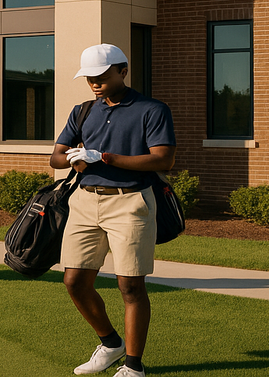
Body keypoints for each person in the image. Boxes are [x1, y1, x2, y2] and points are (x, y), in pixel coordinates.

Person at [50, 44, 176, 377]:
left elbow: (163, 159)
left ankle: (134, 366)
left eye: (102, 75)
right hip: (85, 201)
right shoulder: (83, 110)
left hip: (130, 202)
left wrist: (106, 158)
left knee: (130, 286)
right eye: (89, 77)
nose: (94, 82)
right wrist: (74, 158)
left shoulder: (151, 109)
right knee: (74, 281)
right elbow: (56, 157)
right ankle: (110, 343)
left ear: (122, 71)